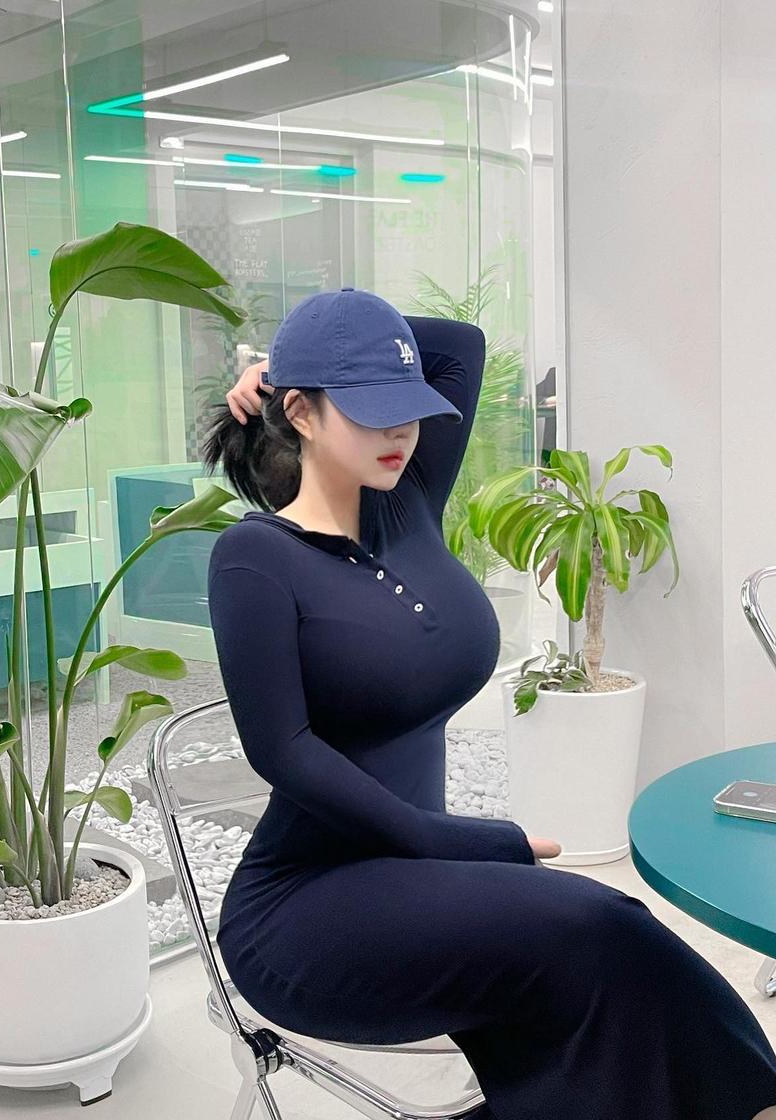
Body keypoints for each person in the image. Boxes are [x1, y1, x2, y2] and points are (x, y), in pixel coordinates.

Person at [201, 286, 776, 1120]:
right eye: (372, 411)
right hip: (307, 904)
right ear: (301, 413)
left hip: (417, 875)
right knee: (597, 925)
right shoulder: (254, 557)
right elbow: (280, 750)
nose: (401, 432)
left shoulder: (406, 500)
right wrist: (458, 840)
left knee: (603, 962)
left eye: (408, 408)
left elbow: (457, 347)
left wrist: (290, 357)